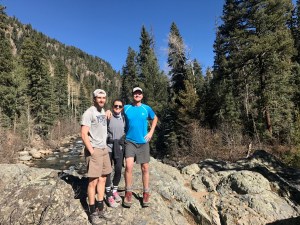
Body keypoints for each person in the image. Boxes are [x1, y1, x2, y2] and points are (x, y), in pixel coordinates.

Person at [123, 87, 158, 208]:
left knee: (145, 168)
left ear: (142, 96)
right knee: (128, 166)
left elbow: (155, 118)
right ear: (132, 95)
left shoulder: (146, 108)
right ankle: (128, 192)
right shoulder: (126, 108)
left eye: (139, 93)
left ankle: (146, 193)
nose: (137, 95)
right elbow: (116, 111)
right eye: (135, 93)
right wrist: (108, 112)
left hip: (143, 142)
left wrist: (151, 132)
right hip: (129, 141)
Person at [81, 89, 112, 224]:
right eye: (99, 98)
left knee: (103, 179)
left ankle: (100, 208)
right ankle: (92, 211)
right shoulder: (89, 113)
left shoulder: (103, 111)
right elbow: (83, 134)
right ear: (94, 99)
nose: (101, 100)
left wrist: (109, 111)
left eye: (103, 98)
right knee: (92, 182)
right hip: (94, 150)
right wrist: (92, 151)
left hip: (104, 149)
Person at [105, 99, 125, 207]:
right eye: (115, 106)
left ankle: (114, 190)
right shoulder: (108, 116)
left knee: (118, 170)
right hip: (108, 147)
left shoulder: (124, 118)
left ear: (122, 108)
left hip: (119, 147)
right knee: (107, 171)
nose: (117, 108)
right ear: (112, 107)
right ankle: (108, 194)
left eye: (120, 106)